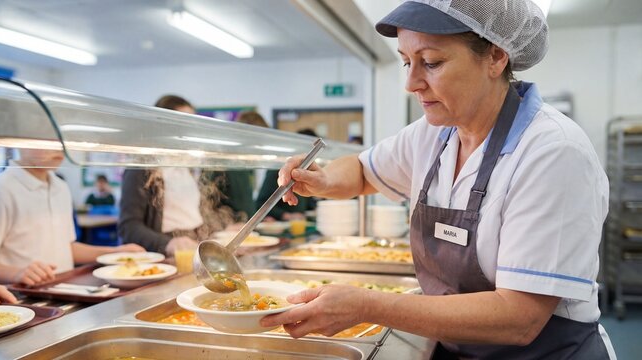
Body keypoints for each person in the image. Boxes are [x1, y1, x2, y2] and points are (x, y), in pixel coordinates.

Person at [262, 1, 616, 358]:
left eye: (431, 62)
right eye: (406, 62)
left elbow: (519, 317)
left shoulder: (553, 153)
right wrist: (322, 179)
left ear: (495, 57)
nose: (411, 83)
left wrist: (367, 305)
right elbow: (362, 169)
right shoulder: (434, 135)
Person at [0, 149, 145, 286]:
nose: (59, 149)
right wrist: (17, 273)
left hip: (63, 289)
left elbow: (67, 247)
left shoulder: (61, 187)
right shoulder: (2, 189)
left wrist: (115, 253)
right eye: (48, 140)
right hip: (18, 300)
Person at [118, 95, 238, 256]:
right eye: (184, 124)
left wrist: (224, 229)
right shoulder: (142, 168)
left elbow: (191, 214)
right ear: (163, 125)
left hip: (195, 244)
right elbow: (129, 227)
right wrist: (167, 243)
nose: (190, 131)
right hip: (166, 252)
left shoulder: (186, 166)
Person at [207, 110, 270, 220]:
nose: (259, 146)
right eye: (257, 141)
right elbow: (210, 201)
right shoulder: (222, 160)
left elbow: (246, 203)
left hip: (247, 225)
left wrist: (259, 218)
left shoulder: (246, 164)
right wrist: (228, 223)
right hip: (228, 230)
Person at [256, 128, 317, 221]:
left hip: (300, 225)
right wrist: (286, 215)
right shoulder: (278, 170)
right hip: (279, 227)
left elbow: (307, 202)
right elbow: (261, 203)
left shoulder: (307, 171)